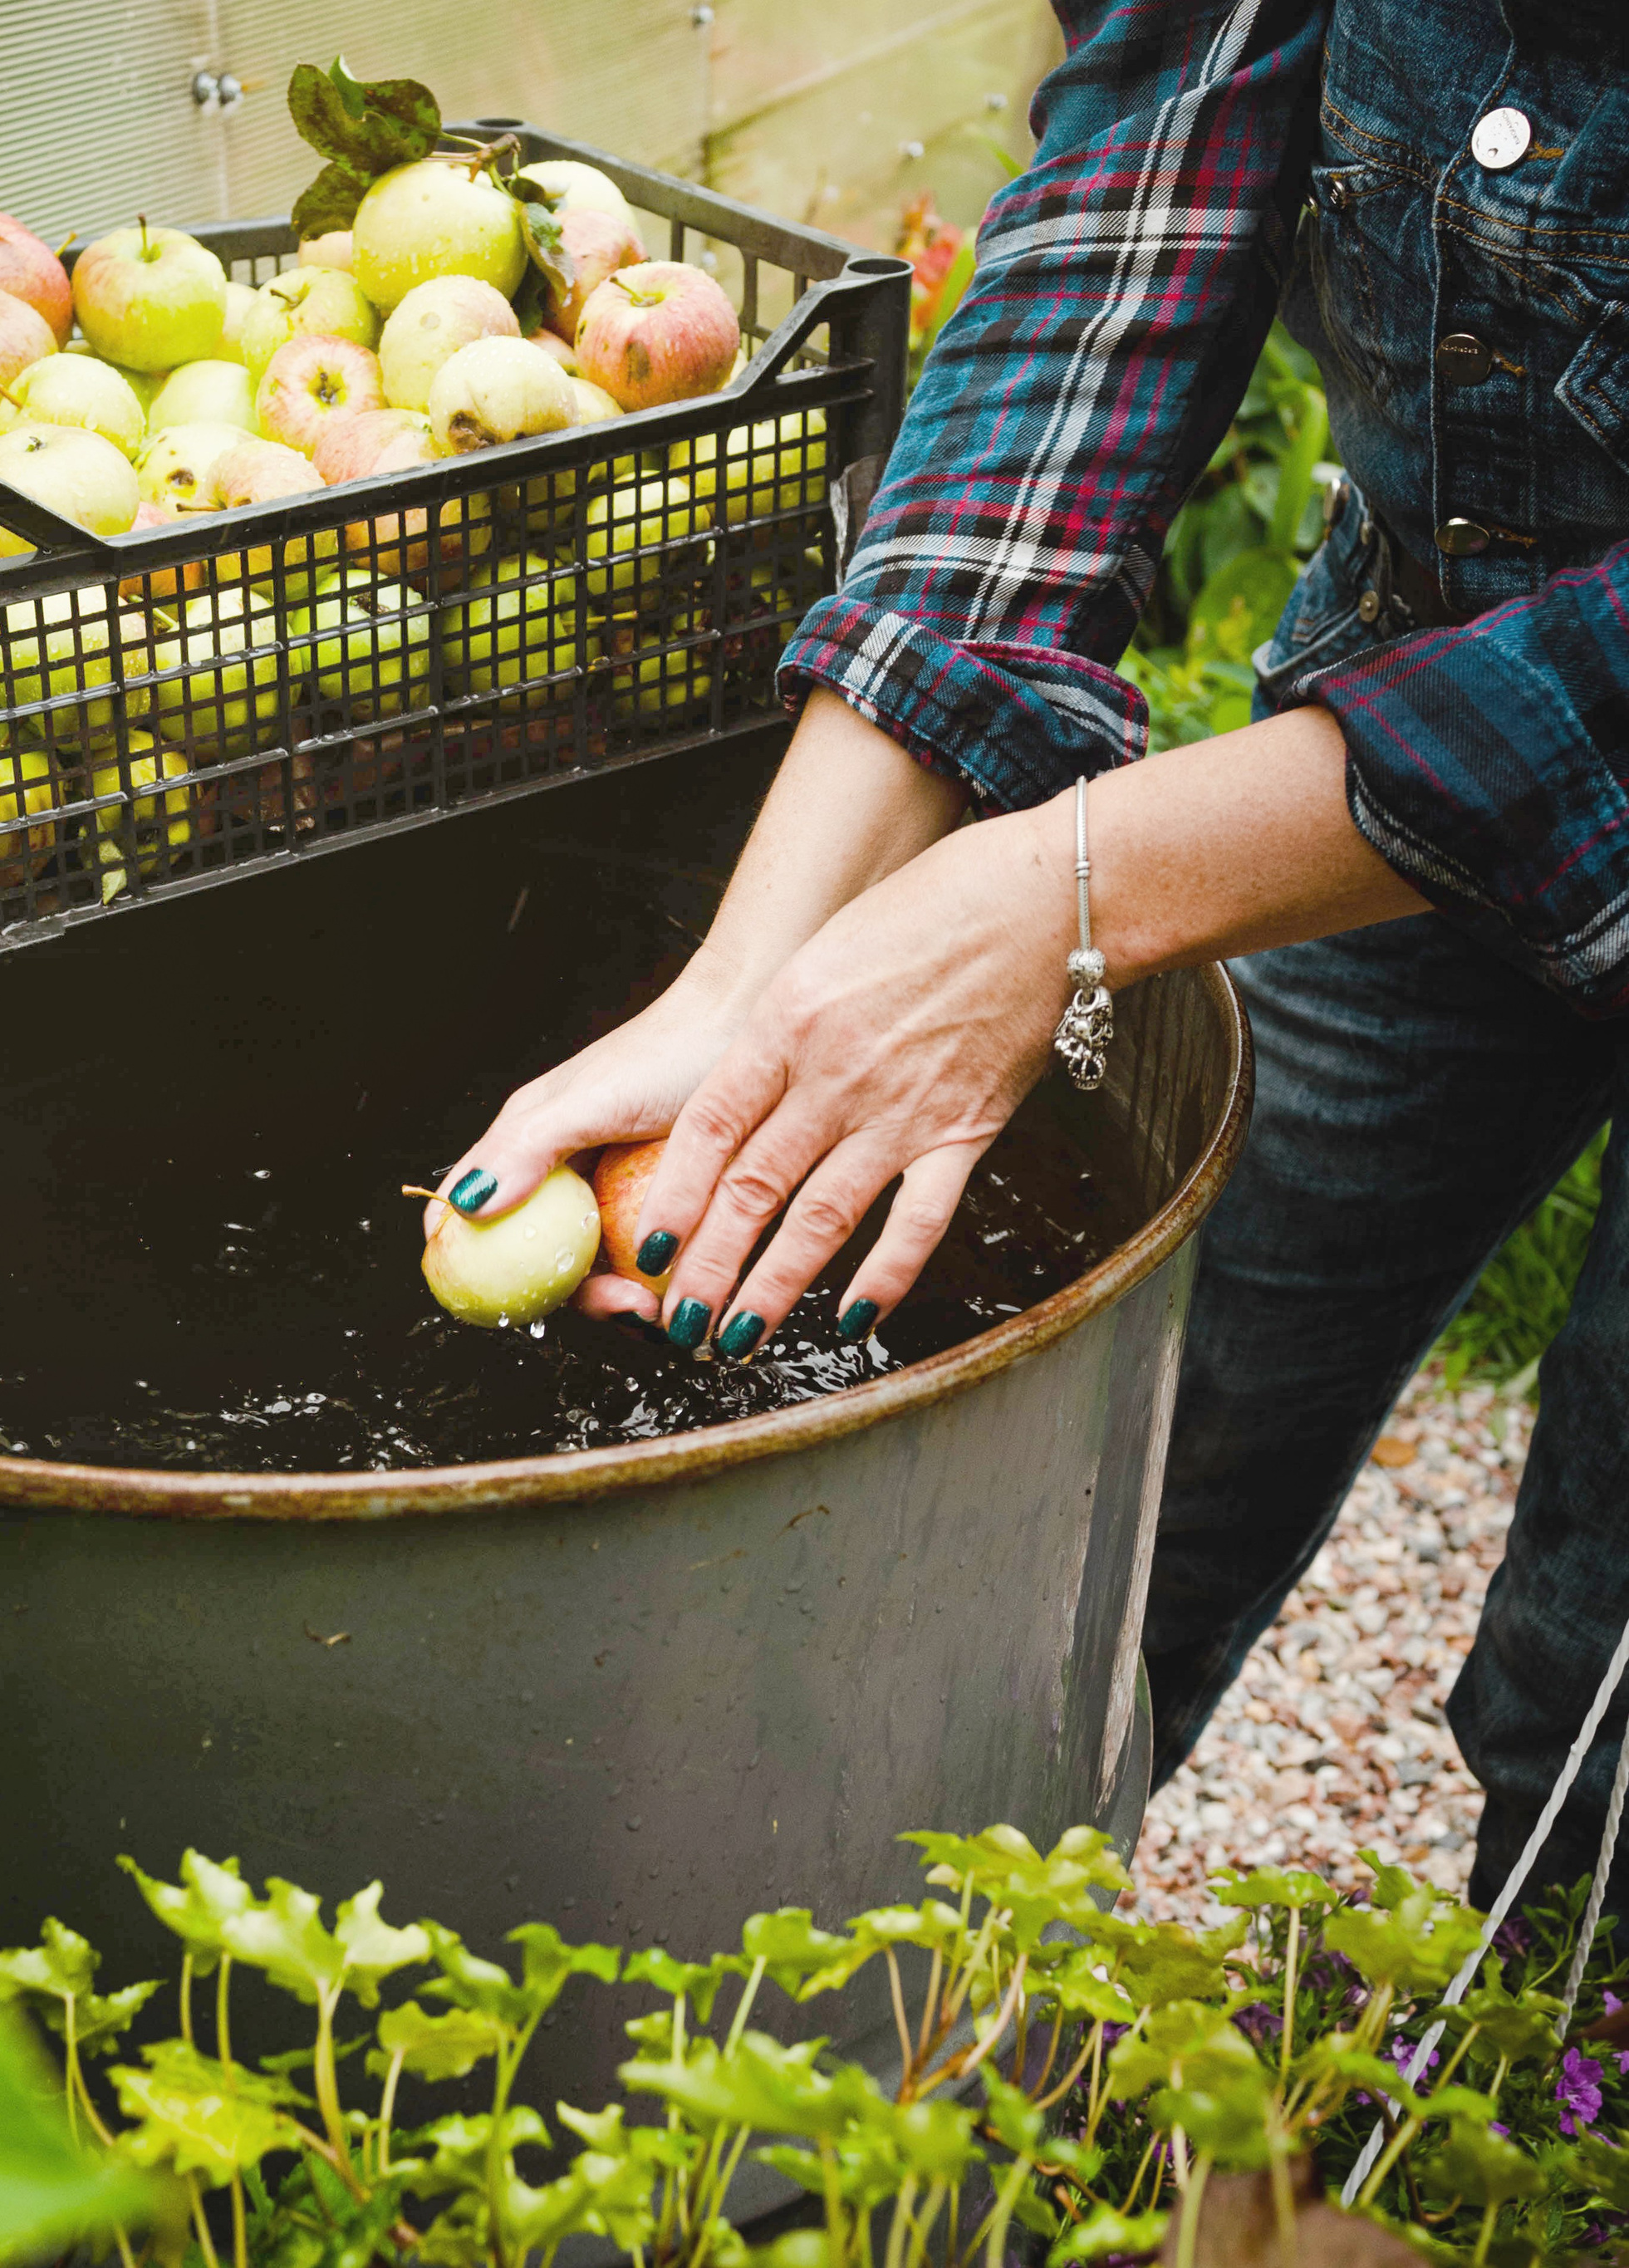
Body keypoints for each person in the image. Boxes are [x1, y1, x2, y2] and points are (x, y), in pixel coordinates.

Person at [427, 0, 1629, 1910]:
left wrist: (1057, 894)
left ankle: (1535, 2128)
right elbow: (1105, 266)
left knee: (1593, 1682)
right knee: (1130, 1490)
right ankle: (949, 2040)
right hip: (1395, 733)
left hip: (1479, 744)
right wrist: (748, 973)